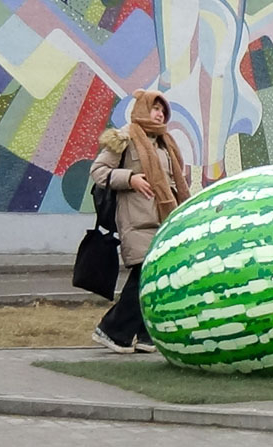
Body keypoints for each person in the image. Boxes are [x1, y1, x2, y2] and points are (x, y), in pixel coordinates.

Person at [89, 89, 190, 354]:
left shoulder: (165, 143)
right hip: (136, 220)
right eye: (155, 108)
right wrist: (130, 178)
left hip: (164, 221)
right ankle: (111, 330)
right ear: (143, 109)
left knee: (158, 278)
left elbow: (173, 184)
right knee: (145, 277)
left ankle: (145, 336)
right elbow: (99, 171)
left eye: (162, 110)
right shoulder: (124, 137)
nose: (159, 113)